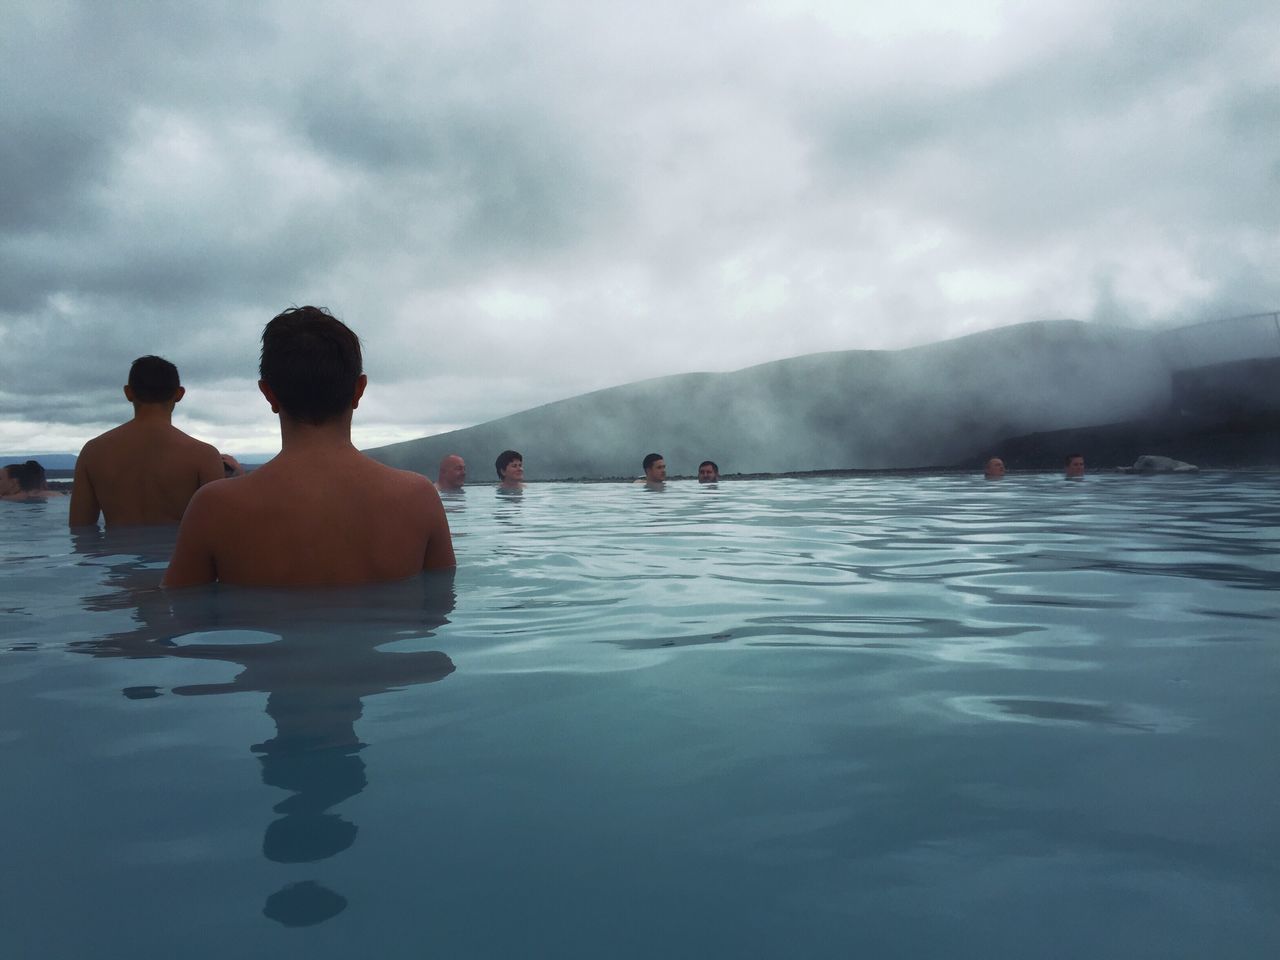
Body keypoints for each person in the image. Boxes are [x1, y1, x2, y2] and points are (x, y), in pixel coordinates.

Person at [163, 306, 455, 588]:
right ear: (359, 389)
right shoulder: (418, 498)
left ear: (268, 394)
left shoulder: (214, 507)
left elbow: (177, 614)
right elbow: (441, 611)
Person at [69, 356, 224, 527]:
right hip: (177, 553)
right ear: (179, 394)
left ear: (128, 392)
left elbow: (79, 530)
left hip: (114, 553)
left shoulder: (93, 452)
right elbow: (217, 529)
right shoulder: (204, 455)